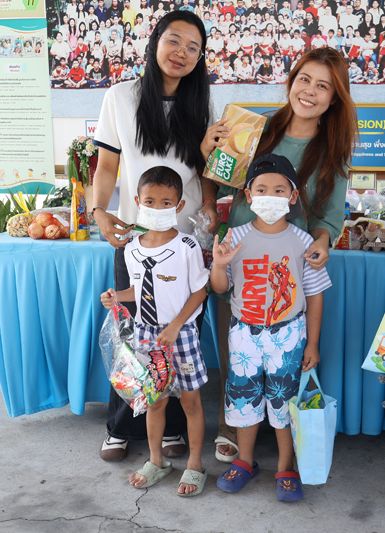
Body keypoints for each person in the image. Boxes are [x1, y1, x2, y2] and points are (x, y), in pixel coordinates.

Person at [203, 47, 356, 463]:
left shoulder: (332, 149)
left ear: (334, 98)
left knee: (284, 357)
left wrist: (321, 241)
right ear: (291, 82)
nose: (310, 91)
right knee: (236, 348)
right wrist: (207, 155)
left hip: (288, 267)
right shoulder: (256, 128)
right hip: (241, 258)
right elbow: (219, 181)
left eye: (323, 86)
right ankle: (233, 426)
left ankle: (282, 432)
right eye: (304, 79)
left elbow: (328, 217)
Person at [92, 10, 220, 462]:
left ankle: (172, 430)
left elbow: (207, 170)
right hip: (135, 240)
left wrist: (209, 205)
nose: (182, 52)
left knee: (179, 339)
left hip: (185, 242)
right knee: (131, 339)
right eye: (174, 40)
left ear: (200, 58)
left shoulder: (202, 104)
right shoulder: (120, 97)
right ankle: (120, 426)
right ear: (155, 42)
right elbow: (107, 165)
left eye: (193, 47)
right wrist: (99, 211)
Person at [209, 154, 331, 502]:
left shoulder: (303, 241)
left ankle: (285, 466)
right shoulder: (234, 237)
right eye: (261, 189)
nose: (270, 196)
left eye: (279, 190)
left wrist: (312, 344)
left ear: (293, 197)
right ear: (248, 195)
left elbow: (315, 296)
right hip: (243, 334)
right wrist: (219, 265)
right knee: (243, 400)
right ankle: (245, 461)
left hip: (288, 335)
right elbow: (220, 288)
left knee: (284, 402)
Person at [100, 166, 210, 496]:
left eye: (166, 202)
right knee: (155, 401)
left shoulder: (187, 246)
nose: (157, 208)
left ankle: (195, 464)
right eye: (150, 201)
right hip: (147, 336)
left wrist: (176, 326)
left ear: (179, 206)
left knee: (190, 402)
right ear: (137, 202)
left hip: (182, 334)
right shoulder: (132, 248)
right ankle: (156, 459)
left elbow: (200, 291)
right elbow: (138, 290)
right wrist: (117, 296)